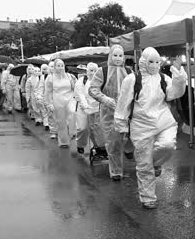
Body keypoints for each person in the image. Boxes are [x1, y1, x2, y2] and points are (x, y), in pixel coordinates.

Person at [114, 48, 187, 209]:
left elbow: (174, 93)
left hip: (164, 122)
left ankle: (156, 163)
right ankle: (148, 197)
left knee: (168, 146)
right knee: (143, 164)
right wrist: (122, 126)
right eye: (151, 62)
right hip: (141, 127)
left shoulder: (163, 78)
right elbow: (123, 104)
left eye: (156, 62)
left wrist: (179, 76)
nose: (154, 65)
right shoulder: (132, 80)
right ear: (144, 62)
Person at [89, 44, 131, 181]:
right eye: (115, 55)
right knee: (113, 142)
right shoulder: (103, 71)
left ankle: (128, 150)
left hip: (127, 112)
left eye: (120, 55)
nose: (118, 58)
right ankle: (116, 171)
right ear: (110, 56)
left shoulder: (129, 71)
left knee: (130, 139)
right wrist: (105, 99)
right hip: (109, 114)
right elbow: (93, 89)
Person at [75, 62, 107, 156]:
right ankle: (80, 144)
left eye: (95, 71)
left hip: (96, 108)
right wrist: (86, 106)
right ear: (87, 71)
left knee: (96, 129)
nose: (93, 73)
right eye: (91, 71)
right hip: (83, 108)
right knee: (82, 128)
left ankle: (98, 147)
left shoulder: (100, 81)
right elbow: (80, 96)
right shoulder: (81, 81)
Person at [45, 59, 77, 148]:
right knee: (61, 121)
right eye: (58, 66)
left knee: (73, 112)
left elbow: (75, 87)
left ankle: (72, 132)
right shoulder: (50, 77)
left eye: (62, 65)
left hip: (70, 98)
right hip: (57, 100)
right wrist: (49, 103)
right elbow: (48, 92)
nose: (60, 67)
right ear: (54, 67)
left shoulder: (69, 76)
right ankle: (63, 142)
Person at [38, 64, 52, 131]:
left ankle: (52, 125)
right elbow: (41, 87)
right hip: (45, 96)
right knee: (45, 111)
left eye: (46, 68)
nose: (45, 70)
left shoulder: (56, 76)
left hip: (53, 97)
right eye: (43, 69)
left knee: (51, 112)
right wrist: (40, 95)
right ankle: (46, 124)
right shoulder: (43, 77)